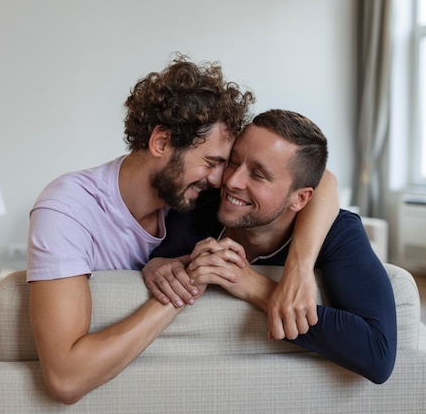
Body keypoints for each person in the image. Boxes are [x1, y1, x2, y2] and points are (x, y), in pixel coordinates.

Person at [27, 57, 337, 404]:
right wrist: (186, 287)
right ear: (161, 142)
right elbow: (66, 379)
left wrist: (300, 268)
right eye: (213, 162)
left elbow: (318, 177)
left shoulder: (192, 202)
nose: (224, 181)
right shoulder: (68, 211)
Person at [147, 109, 397, 383]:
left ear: (301, 198)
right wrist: (155, 265)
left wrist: (252, 285)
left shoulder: (339, 233)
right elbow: (150, 260)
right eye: (234, 161)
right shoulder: (196, 208)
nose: (231, 181)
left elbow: (378, 355)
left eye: (258, 174)